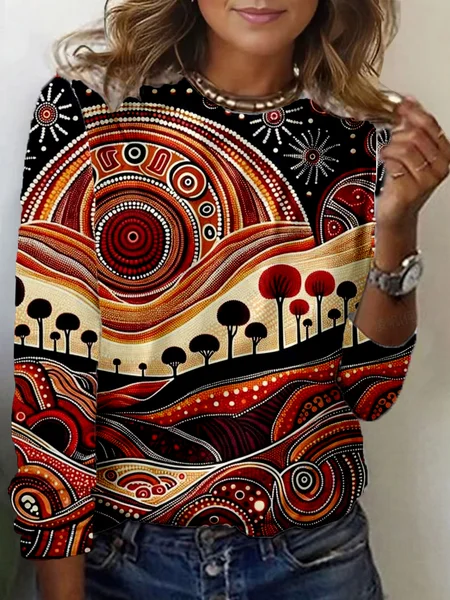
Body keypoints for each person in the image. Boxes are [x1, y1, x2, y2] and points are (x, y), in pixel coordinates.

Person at [8, 1, 449, 599]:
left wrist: (398, 224)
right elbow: (49, 381)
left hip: (315, 560)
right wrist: (60, 586)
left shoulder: (369, 138)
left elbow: (373, 392)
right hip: (124, 561)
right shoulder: (90, 112)